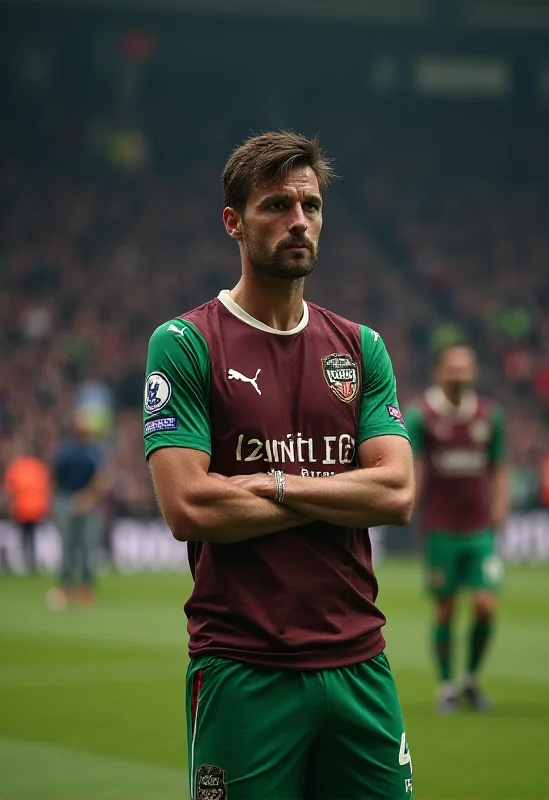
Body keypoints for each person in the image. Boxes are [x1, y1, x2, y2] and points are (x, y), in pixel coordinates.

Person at [144, 131, 415, 800]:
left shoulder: (361, 347)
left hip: (361, 666)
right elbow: (192, 508)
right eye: (276, 205)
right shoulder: (184, 343)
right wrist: (338, 490)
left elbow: (398, 493)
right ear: (233, 222)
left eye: (311, 205)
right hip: (244, 667)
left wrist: (276, 482)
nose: (298, 221)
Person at [405, 343, 509, 714]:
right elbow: (411, 463)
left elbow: (498, 466)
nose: (461, 374)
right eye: (454, 368)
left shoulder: (488, 415)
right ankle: (447, 686)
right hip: (441, 527)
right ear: (439, 372)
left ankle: (470, 679)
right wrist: (407, 501)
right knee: (446, 609)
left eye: (466, 368)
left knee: (484, 605)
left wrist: (500, 505)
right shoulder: (421, 415)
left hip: (480, 528)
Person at [46, 410, 107, 609]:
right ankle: (65, 585)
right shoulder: (66, 451)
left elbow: (101, 478)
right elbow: (54, 477)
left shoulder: (94, 451)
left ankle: (85, 586)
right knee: (68, 545)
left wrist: (88, 497)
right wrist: (60, 500)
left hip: (88, 501)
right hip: (66, 499)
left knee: (88, 545)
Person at [3, 438, 52, 574]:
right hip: (36, 509)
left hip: (22, 509)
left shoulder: (16, 467)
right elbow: (46, 489)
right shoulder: (39, 467)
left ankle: (27, 562)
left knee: (24, 537)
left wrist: (8, 507)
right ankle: (31, 563)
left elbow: (9, 490)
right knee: (31, 538)